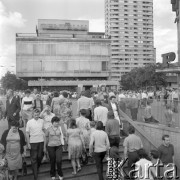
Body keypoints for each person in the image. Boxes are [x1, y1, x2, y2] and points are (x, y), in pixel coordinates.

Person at [26, 109, 46, 180]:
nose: (36, 116)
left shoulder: (42, 121)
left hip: (41, 141)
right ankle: (35, 175)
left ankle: (36, 167)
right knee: (34, 158)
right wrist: (28, 143)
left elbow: (43, 130)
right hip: (33, 142)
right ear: (33, 115)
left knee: (40, 156)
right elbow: (27, 133)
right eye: (35, 115)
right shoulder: (29, 122)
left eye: (38, 115)